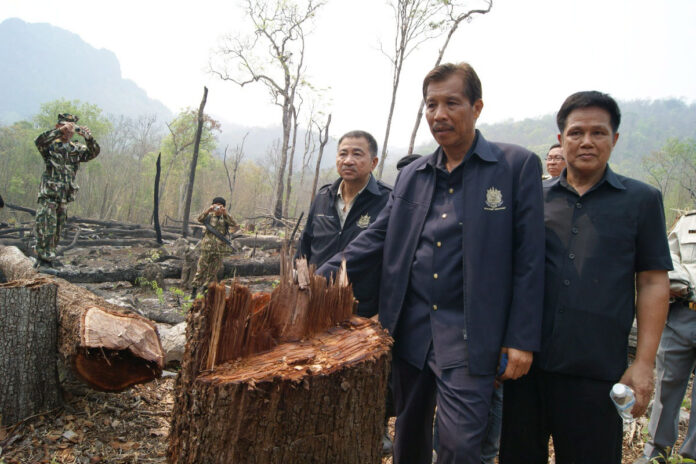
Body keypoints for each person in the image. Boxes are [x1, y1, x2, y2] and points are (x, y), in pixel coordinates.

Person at [318, 62, 545, 464]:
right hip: (411, 330)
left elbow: (529, 257)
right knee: (408, 437)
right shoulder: (414, 175)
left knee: (459, 445)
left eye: (451, 103)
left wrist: (522, 338)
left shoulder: (514, 166)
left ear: (476, 107)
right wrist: (322, 275)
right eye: (430, 104)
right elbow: (377, 238)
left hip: (472, 334)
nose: (439, 115)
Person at [499, 91, 672, 464]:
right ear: (561, 140)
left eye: (599, 132)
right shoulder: (532, 198)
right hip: (526, 364)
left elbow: (653, 282)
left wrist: (644, 363)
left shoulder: (641, 201)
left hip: (596, 371)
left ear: (615, 139)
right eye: (577, 132)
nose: (587, 141)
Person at [296, 130, 391, 318]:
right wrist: (301, 287)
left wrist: (382, 313)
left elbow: (395, 261)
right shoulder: (323, 197)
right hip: (316, 303)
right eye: (342, 154)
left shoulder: (388, 201)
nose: (348, 160)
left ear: (373, 162)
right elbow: (304, 246)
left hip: (361, 311)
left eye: (357, 154)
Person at [635, 211, 696, 463]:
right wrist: (687, 286)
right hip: (682, 312)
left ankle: (691, 455)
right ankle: (657, 451)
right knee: (666, 384)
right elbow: (667, 258)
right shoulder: (688, 222)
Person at [34, 113, 100, 267]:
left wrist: (88, 138)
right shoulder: (50, 146)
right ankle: (43, 259)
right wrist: (59, 131)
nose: (69, 132)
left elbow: (93, 153)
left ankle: (50, 256)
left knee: (57, 229)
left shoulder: (75, 149)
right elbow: (39, 141)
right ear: (59, 126)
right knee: (46, 227)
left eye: (72, 128)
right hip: (49, 195)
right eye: (66, 127)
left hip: (64, 196)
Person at [190, 197, 238, 298]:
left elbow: (234, 224)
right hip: (206, 248)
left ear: (223, 207)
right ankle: (194, 290)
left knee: (213, 271)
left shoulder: (225, 218)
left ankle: (205, 290)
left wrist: (225, 213)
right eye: (216, 205)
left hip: (219, 249)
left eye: (220, 205)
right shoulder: (208, 216)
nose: (217, 208)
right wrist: (208, 210)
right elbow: (199, 219)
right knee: (201, 269)